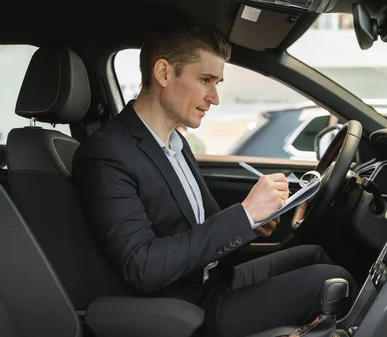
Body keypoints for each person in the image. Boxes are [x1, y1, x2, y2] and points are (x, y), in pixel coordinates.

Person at [72, 20, 357, 337]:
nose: (215, 97)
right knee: (333, 279)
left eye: (216, 82)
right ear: (164, 73)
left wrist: (252, 221)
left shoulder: (175, 143)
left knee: (313, 256)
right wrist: (244, 214)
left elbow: (199, 226)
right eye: (206, 80)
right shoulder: (107, 154)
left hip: (213, 280)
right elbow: (144, 266)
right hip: (185, 307)